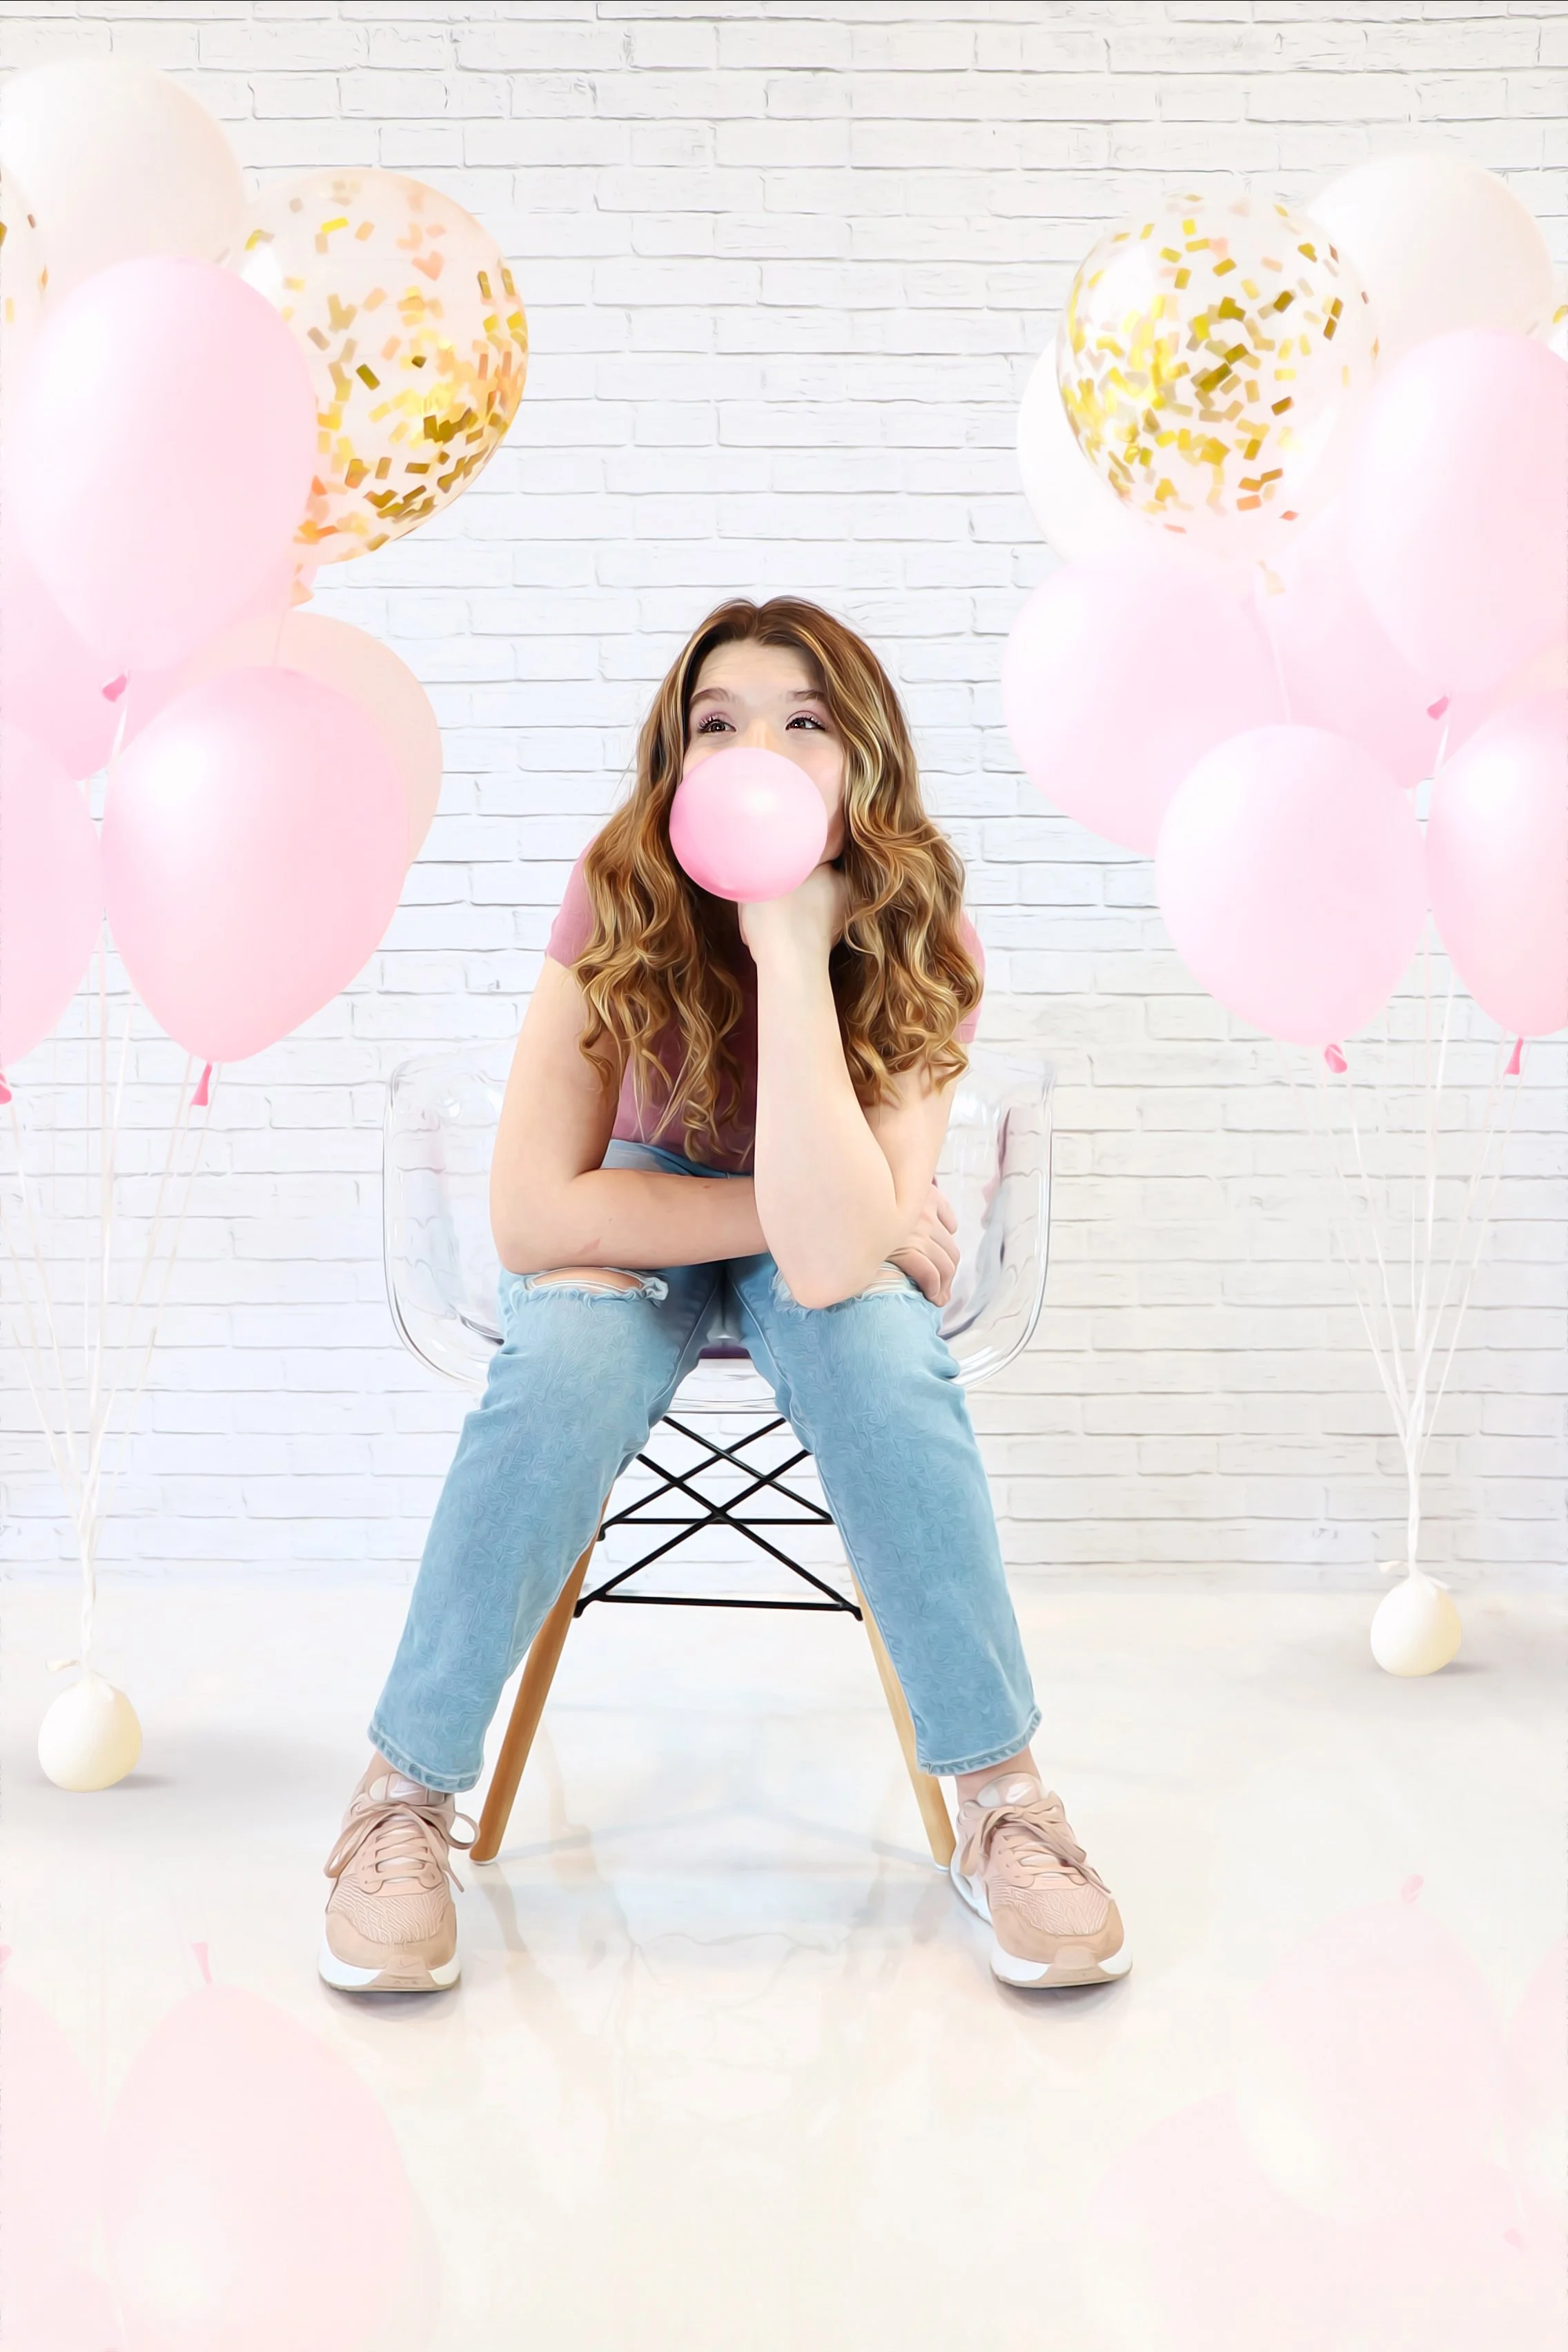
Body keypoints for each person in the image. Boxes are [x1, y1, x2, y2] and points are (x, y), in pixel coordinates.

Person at [320, 597, 1128, 1997]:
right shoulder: (614, 889)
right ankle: (400, 1798)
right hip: (665, 1196)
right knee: (562, 1360)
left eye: (801, 720)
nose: (754, 746)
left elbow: (824, 1271)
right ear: (675, 765)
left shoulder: (926, 934)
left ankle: (1001, 1803)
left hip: (804, 1203)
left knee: (881, 1357)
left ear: (858, 758)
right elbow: (531, 1213)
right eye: (717, 723)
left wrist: (792, 945)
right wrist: (843, 1212)